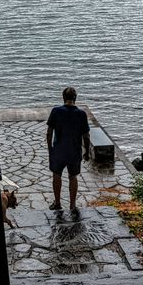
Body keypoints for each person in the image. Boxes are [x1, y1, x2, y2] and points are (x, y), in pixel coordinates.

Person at [46, 86, 91, 215]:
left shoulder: (56, 111)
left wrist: (50, 149)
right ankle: (72, 205)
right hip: (74, 152)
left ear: (63, 98)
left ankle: (57, 202)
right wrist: (87, 152)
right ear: (75, 98)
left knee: (56, 175)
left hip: (59, 151)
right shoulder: (81, 114)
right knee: (73, 177)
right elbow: (86, 136)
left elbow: (49, 133)